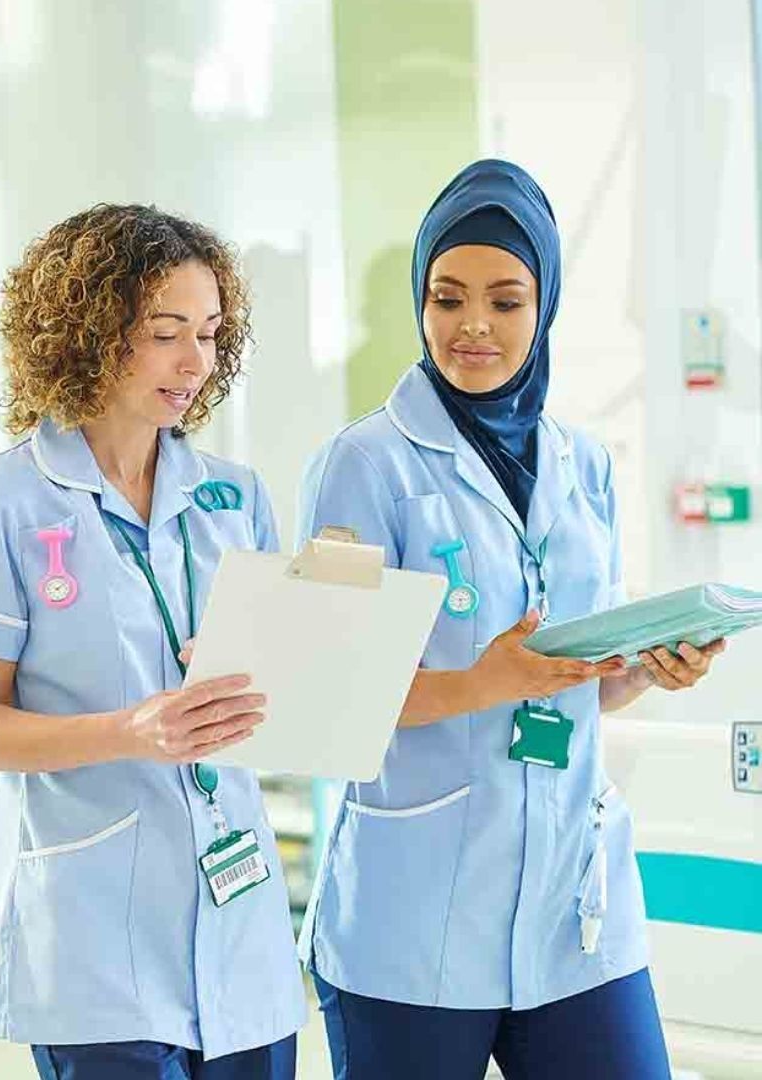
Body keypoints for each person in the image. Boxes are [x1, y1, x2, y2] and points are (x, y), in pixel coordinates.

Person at [297, 159, 726, 1079]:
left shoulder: (585, 465)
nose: (474, 326)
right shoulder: (362, 467)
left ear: (546, 308)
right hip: (413, 925)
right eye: (447, 298)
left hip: (575, 915)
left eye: (506, 298)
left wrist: (649, 668)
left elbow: (586, 679)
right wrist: (487, 681)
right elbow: (322, 705)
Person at [0, 204, 302, 1080]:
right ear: (89, 334)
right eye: (166, 334)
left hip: (239, 918)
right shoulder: (1, 500)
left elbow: (276, 694)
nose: (195, 362)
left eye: (209, 334)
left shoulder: (235, 499)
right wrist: (134, 731)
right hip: (92, 930)